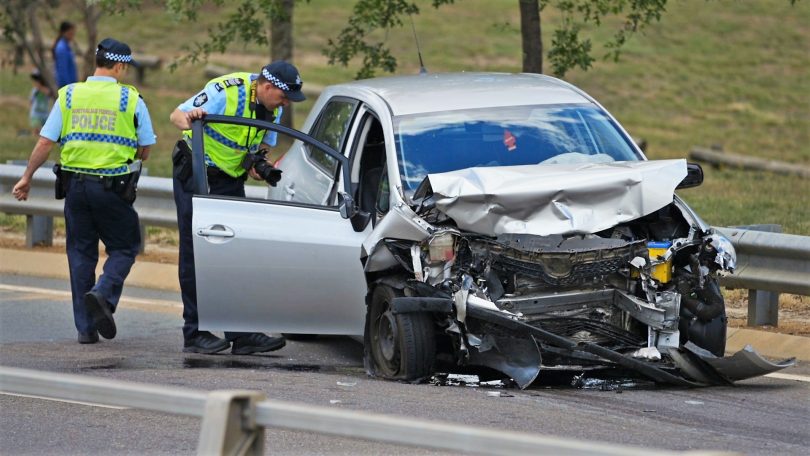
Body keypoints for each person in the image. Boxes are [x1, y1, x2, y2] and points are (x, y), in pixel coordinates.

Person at [12, 38, 156, 344]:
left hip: (74, 188)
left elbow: (44, 142)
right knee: (126, 246)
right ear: (118, 65)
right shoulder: (130, 99)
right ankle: (103, 293)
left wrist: (26, 177)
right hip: (111, 190)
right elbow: (145, 149)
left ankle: (86, 330)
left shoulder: (69, 94)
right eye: (125, 68)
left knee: (80, 254)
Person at [169, 60, 306, 355]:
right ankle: (195, 333)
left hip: (229, 178)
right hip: (196, 173)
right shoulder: (226, 90)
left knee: (234, 253)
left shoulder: (274, 108)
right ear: (267, 87)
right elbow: (176, 115)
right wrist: (192, 117)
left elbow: (255, 151)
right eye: (283, 97)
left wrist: (259, 167)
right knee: (195, 254)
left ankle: (241, 334)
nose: (284, 104)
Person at [52, 21, 78, 88]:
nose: (72, 36)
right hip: (66, 87)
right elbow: (62, 72)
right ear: (64, 32)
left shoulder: (67, 46)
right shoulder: (62, 48)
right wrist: (68, 87)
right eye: (70, 33)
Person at [29, 69, 53, 136]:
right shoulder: (34, 90)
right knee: (36, 129)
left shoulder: (46, 89)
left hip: (45, 114)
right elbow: (31, 100)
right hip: (35, 114)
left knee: (45, 132)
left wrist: (40, 87)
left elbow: (49, 93)